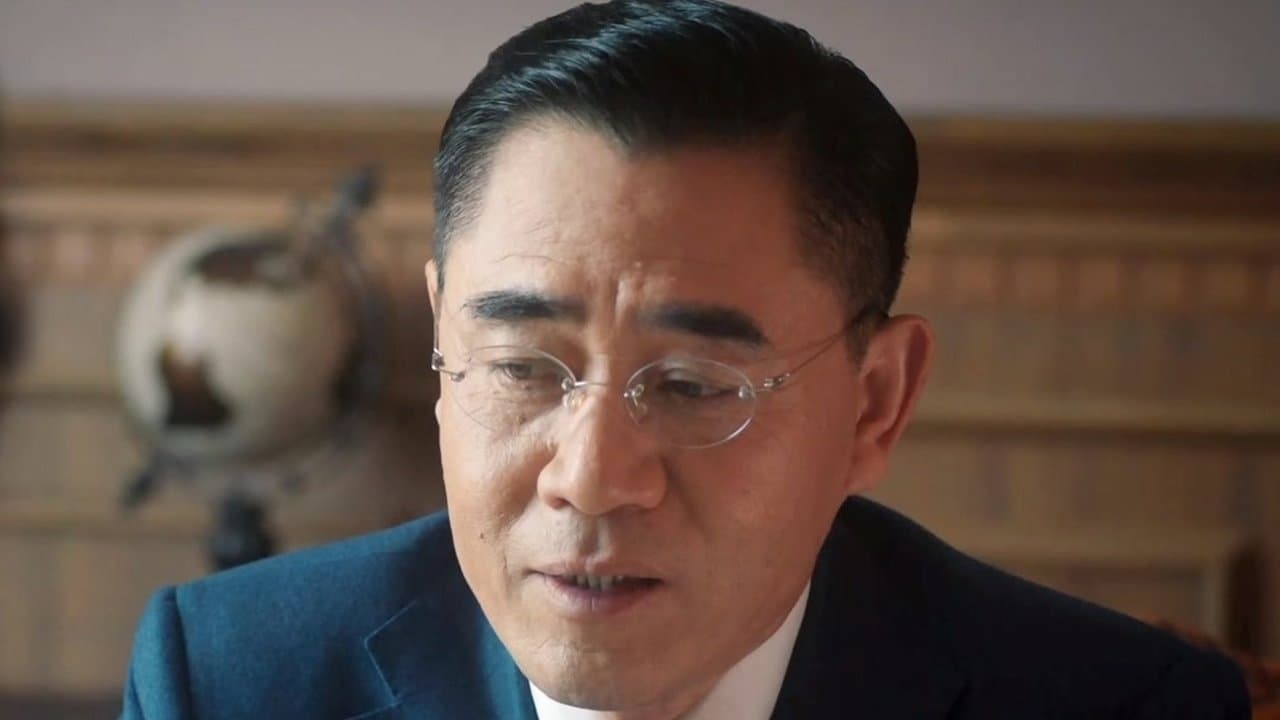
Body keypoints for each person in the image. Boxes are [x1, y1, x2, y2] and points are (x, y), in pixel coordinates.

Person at [121, 1, 1251, 718]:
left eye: (693, 386)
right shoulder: (229, 681)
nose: (591, 477)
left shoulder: (1119, 706)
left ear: (874, 404)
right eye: (520, 366)